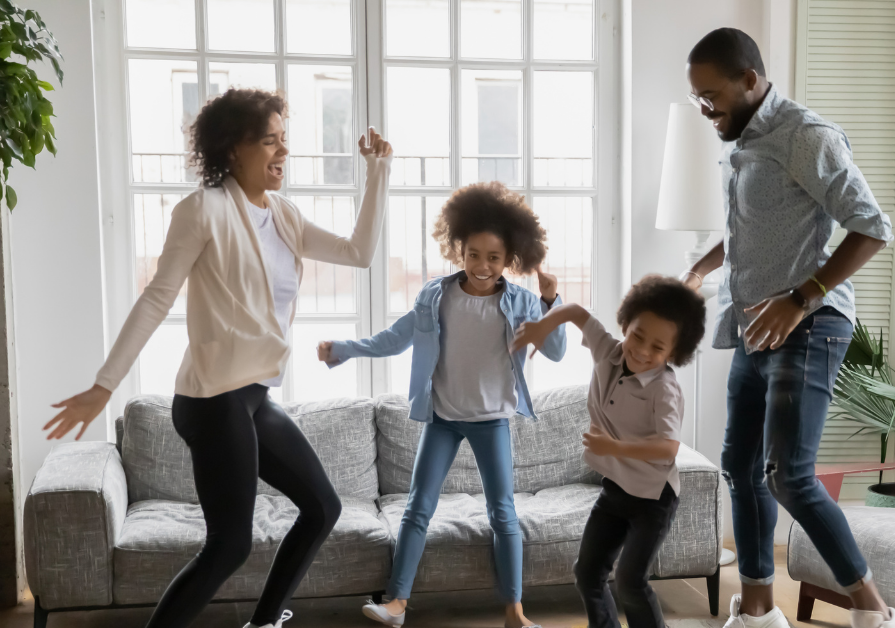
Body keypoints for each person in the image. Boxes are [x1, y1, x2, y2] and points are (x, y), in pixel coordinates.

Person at [42, 89, 393, 628]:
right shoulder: (202, 210)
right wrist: (104, 384)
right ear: (233, 149)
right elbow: (156, 297)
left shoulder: (284, 215)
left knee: (323, 508)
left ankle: (263, 622)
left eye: (285, 140)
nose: (282, 151)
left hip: (251, 397)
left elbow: (358, 253)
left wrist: (378, 175)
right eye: (269, 140)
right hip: (211, 400)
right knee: (230, 545)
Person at [680, 28, 895, 628]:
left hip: (810, 325)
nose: (704, 109)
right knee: (740, 465)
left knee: (788, 475)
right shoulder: (745, 139)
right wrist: (698, 270)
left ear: (750, 80)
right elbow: (751, 227)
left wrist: (803, 297)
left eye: (711, 95)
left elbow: (872, 226)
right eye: (697, 97)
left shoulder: (806, 136)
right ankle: (757, 612)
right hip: (754, 328)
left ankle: (876, 614)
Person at [317, 181, 566, 628]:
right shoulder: (437, 296)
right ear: (458, 250)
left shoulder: (523, 302)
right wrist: (343, 348)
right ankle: (396, 604)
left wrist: (551, 300)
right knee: (417, 508)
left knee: (503, 514)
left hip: (492, 422)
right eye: (473, 254)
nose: (483, 266)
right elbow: (392, 340)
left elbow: (558, 351)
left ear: (510, 257)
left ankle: (515, 612)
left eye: (494, 257)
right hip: (443, 418)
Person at [511, 275, 707, 628]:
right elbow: (575, 310)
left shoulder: (665, 390)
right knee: (587, 575)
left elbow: (668, 448)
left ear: (674, 353)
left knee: (631, 581)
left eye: (658, 347)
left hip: (653, 499)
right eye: (637, 335)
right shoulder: (608, 350)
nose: (642, 350)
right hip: (615, 490)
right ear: (625, 324)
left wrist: (614, 447)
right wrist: (542, 326)